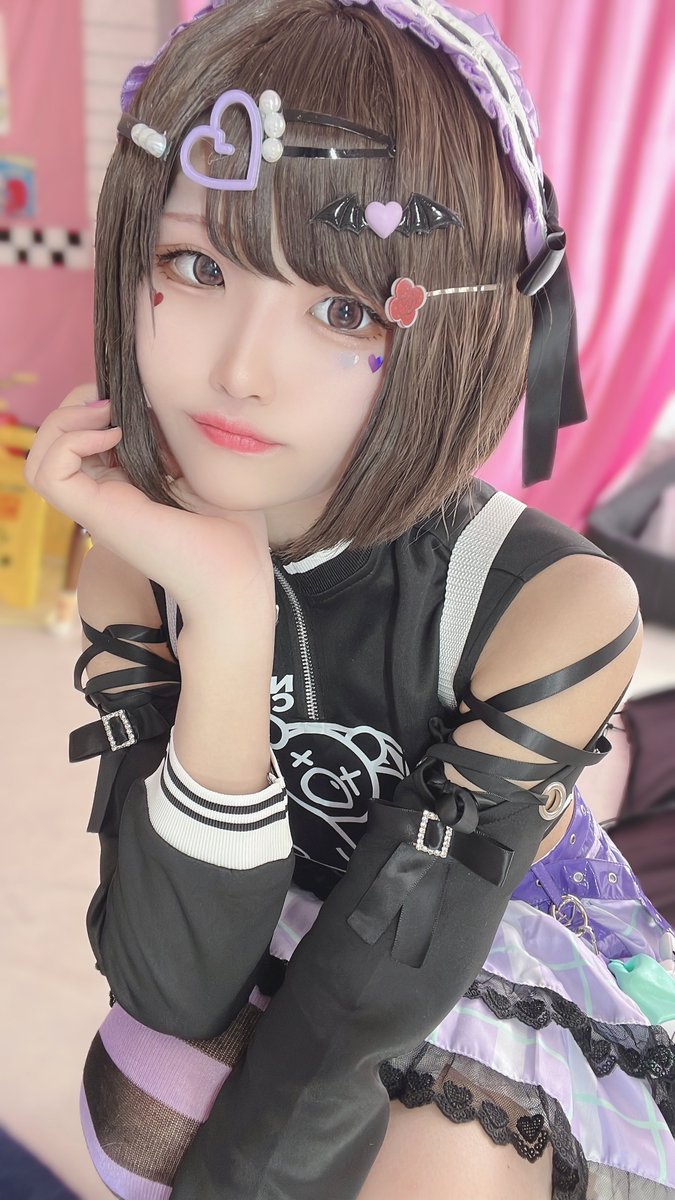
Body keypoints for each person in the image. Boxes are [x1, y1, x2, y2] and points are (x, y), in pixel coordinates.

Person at [24, 1, 675, 1197]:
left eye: (342, 309)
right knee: (138, 1112)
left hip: (457, 936)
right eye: (197, 266)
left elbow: (363, 1016)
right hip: (268, 892)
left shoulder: (553, 601)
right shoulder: (143, 550)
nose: (239, 370)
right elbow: (171, 981)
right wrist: (228, 621)